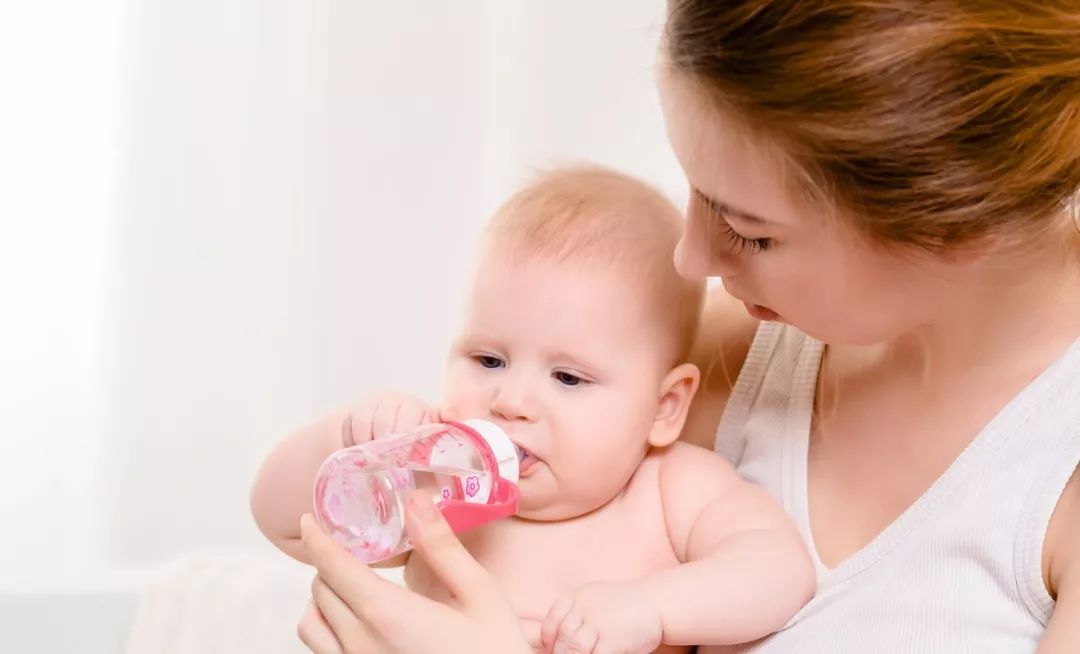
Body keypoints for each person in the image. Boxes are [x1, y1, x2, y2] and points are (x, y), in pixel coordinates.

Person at [293, 1, 1080, 652]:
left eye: (749, 231)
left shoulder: (1050, 479)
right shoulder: (704, 356)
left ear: (952, 229)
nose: (690, 258)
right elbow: (322, 510)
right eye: (695, 191)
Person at [251, 166, 816, 653]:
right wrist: (348, 441)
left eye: (568, 377)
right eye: (489, 360)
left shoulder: (671, 490)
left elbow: (779, 571)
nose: (511, 401)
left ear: (664, 408)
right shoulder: (443, 481)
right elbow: (284, 520)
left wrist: (652, 607)